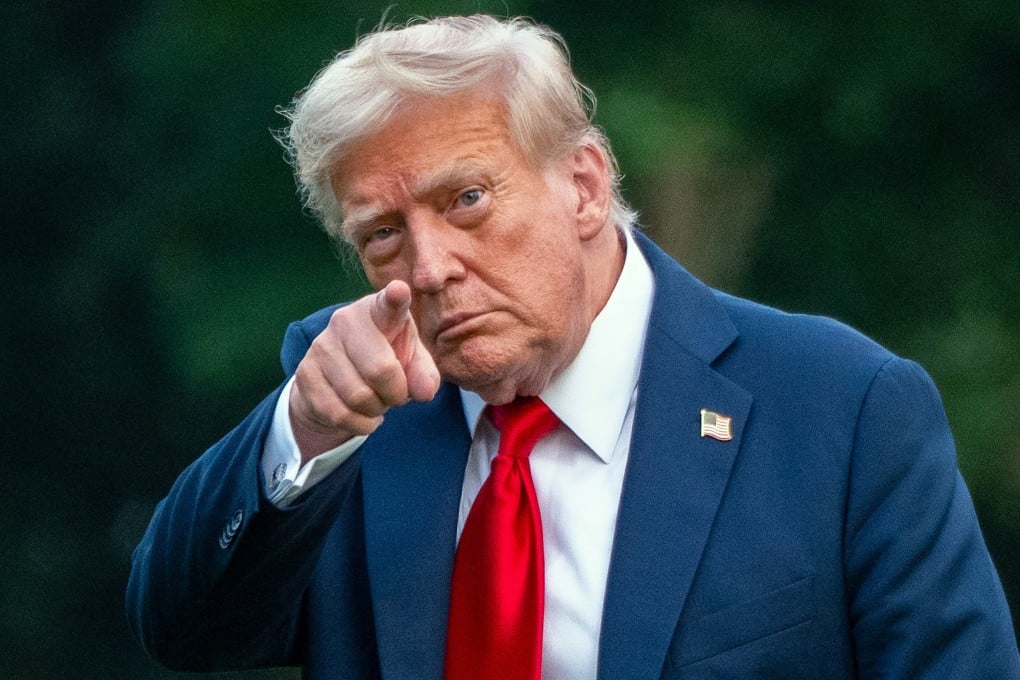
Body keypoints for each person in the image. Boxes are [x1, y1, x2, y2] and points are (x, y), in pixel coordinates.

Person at [127, 15, 1019, 680]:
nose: (429, 267)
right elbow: (183, 631)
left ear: (584, 186)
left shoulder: (844, 409)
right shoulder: (354, 407)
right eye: (384, 234)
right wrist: (304, 431)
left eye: (467, 199)